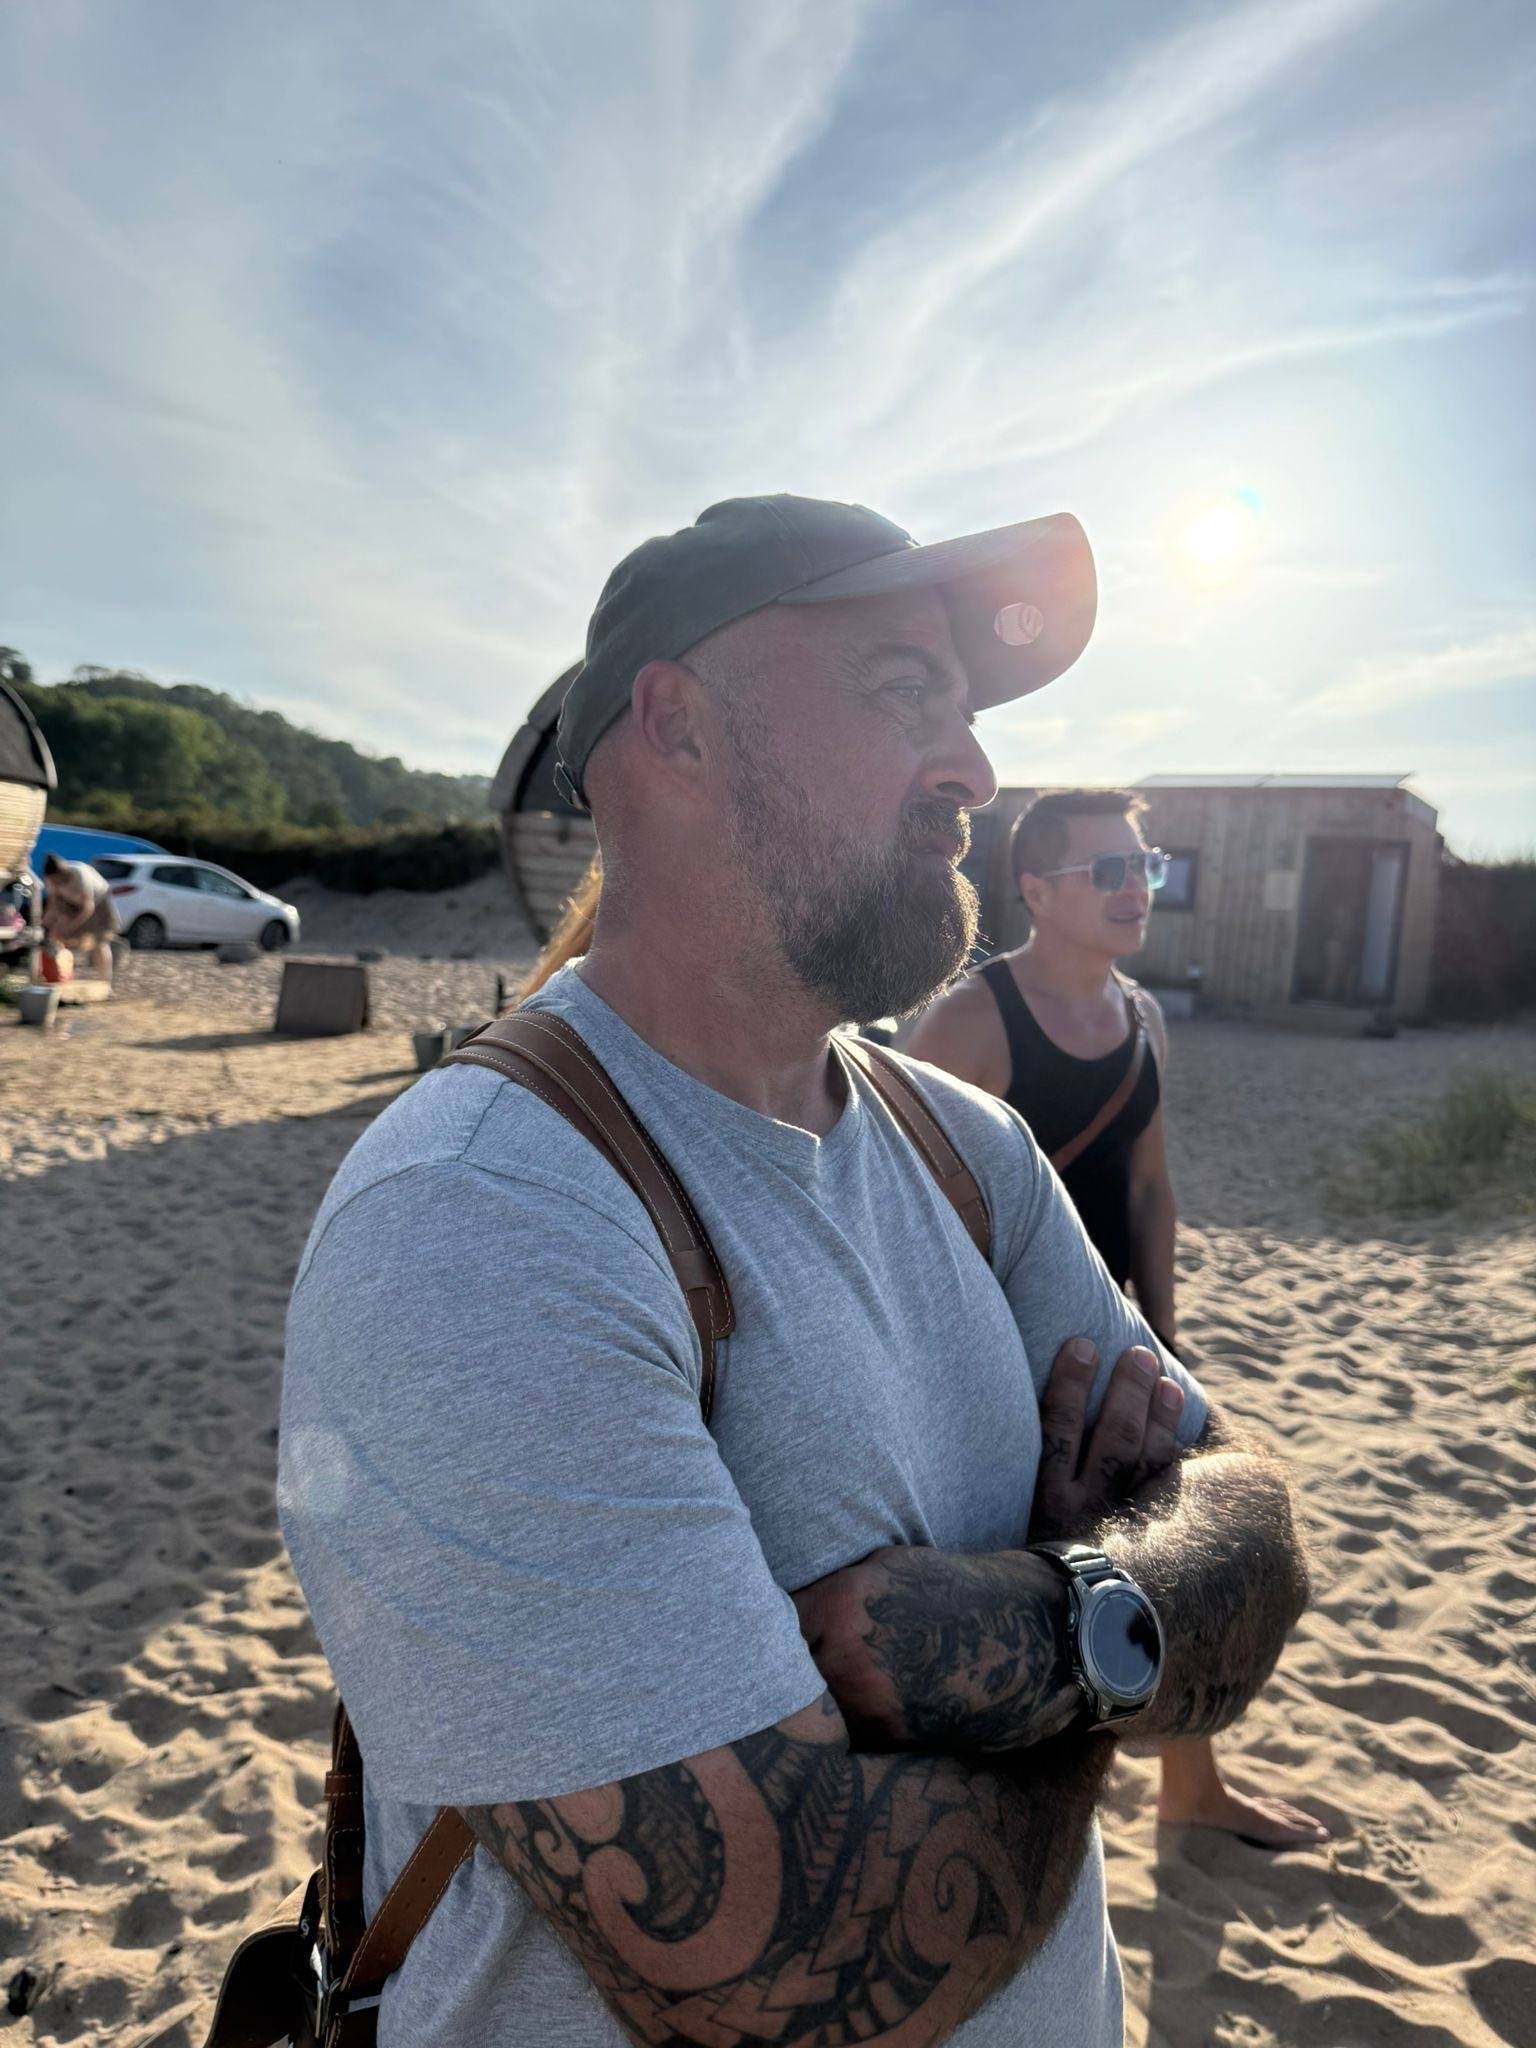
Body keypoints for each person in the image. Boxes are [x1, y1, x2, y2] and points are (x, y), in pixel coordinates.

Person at [279, 494, 1311, 2048]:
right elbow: (780, 1975)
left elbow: (1258, 1536)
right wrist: (1119, 1663)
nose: (971, 767)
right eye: (906, 689)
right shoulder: (483, 1213)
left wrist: (1011, 1636)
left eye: (967, 710)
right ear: (677, 726)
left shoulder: (968, 1150)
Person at [907, 790, 1330, 1852]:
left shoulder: (1143, 1015)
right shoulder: (969, 1022)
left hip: (1118, 1328)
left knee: (1178, 1517)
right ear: (1037, 890)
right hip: (997, 1340)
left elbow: (1148, 1182)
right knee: (1029, 1557)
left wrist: (1167, 1334)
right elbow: (906, 1206)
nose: (1136, 886)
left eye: (1145, 864)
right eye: (1108, 870)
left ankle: (1193, 1783)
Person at [40, 853, 119, 983]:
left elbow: (88, 908)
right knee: (56, 935)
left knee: (99, 943)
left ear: (62, 873)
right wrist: (46, 925)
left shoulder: (79, 873)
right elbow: (53, 905)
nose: (56, 883)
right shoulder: (51, 879)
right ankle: (61, 976)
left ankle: (105, 982)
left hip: (98, 902)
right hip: (72, 903)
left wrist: (69, 928)